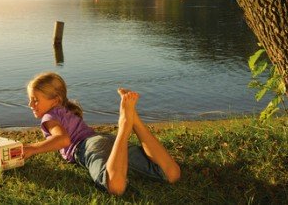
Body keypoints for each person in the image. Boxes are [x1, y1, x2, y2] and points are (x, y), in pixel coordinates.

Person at [22, 72, 181, 195]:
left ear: (55, 100)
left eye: (35, 99)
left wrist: (32, 148)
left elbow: (62, 139)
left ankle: (124, 128)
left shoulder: (49, 117)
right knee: (172, 174)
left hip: (88, 147)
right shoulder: (64, 110)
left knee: (115, 187)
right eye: (30, 99)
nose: (30, 104)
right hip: (105, 139)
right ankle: (134, 121)